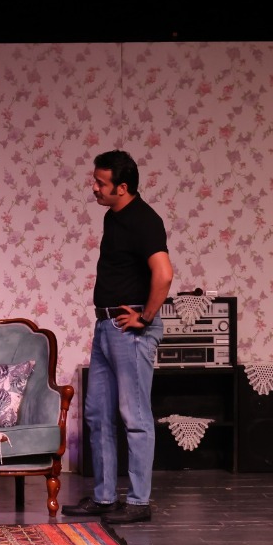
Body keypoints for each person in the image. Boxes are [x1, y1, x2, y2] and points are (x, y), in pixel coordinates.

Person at [66, 149, 173, 523]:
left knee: (135, 416)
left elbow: (164, 274)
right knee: (98, 413)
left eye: (101, 182)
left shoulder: (144, 220)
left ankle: (139, 502)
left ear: (122, 187)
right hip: (106, 326)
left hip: (130, 331)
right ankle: (105, 496)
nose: (94, 187)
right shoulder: (113, 217)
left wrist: (145, 318)